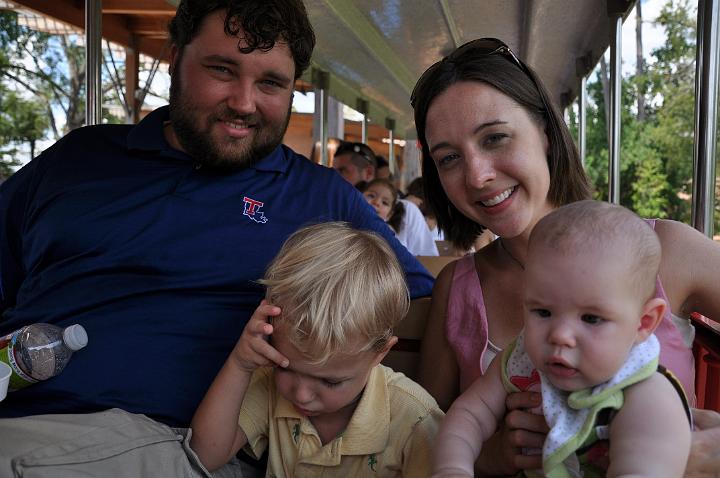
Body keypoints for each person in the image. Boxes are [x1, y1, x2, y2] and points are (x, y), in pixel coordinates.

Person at [0, 1, 433, 475]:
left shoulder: (320, 199)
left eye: (271, 82)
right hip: (20, 409)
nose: (244, 103)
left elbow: (419, 298)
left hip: (179, 443)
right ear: (175, 58)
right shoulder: (76, 161)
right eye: (222, 70)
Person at [410, 37, 720, 476]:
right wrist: (497, 454)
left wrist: (703, 449)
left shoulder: (666, 249)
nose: (478, 175)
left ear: (546, 135)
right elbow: (419, 431)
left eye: (495, 138)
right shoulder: (458, 289)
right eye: (449, 158)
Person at [432, 200, 692, 477]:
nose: (560, 335)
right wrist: (452, 467)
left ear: (644, 322)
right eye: (543, 311)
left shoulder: (647, 395)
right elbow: (468, 415)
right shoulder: (520, 360)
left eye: (591, 318)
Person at [190, 222, 443, 476]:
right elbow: (205, 455)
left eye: (330, 382)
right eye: (284, 367)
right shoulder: (268, 385)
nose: (301, 394)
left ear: (380, 353)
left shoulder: (414, 419)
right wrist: (240, 363)